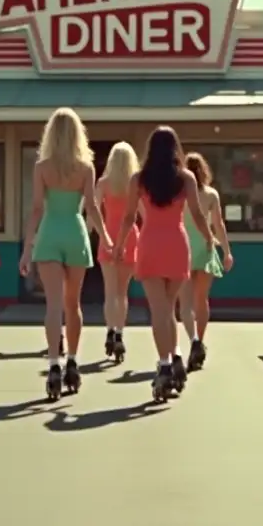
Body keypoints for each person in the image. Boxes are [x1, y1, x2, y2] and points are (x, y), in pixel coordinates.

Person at [112, 126, 212, 401]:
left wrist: (120, 244)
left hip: (150, 244)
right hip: (177, 245)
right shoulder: (186, 179)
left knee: (159, 309)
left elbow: (129, 216)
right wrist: (209, 238)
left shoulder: (139, 179)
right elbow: (198, 214)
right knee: (170, 307)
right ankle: (174, 355)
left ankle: (165, 364)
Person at [19, 108, 111, 399]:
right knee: (74, 305)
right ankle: (73, 360)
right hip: (75, 232)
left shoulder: (41, 168)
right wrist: (106, 239)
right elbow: (93, 208)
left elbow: (36, 209)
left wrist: (26, 248)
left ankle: (53, 365)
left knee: (53, 305)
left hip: (49, 234)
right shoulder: (86, 168)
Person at [176, 152, 234, 372]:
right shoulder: (211, 195)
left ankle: (193, 341)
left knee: (185, 303)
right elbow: (219, 225)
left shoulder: (178, 195)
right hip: (207, 247)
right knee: (202, 299)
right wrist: (227, 252)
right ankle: (200, 338)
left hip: (184, 247)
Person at [95, 142, 140, 362]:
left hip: (109, 235)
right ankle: (120, 333)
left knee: (109, 291)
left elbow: (93, 211)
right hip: (131, 236)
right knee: (123, 292)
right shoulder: (135, 185)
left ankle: (110, 331)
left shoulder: (103, 183)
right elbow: (143, 213)